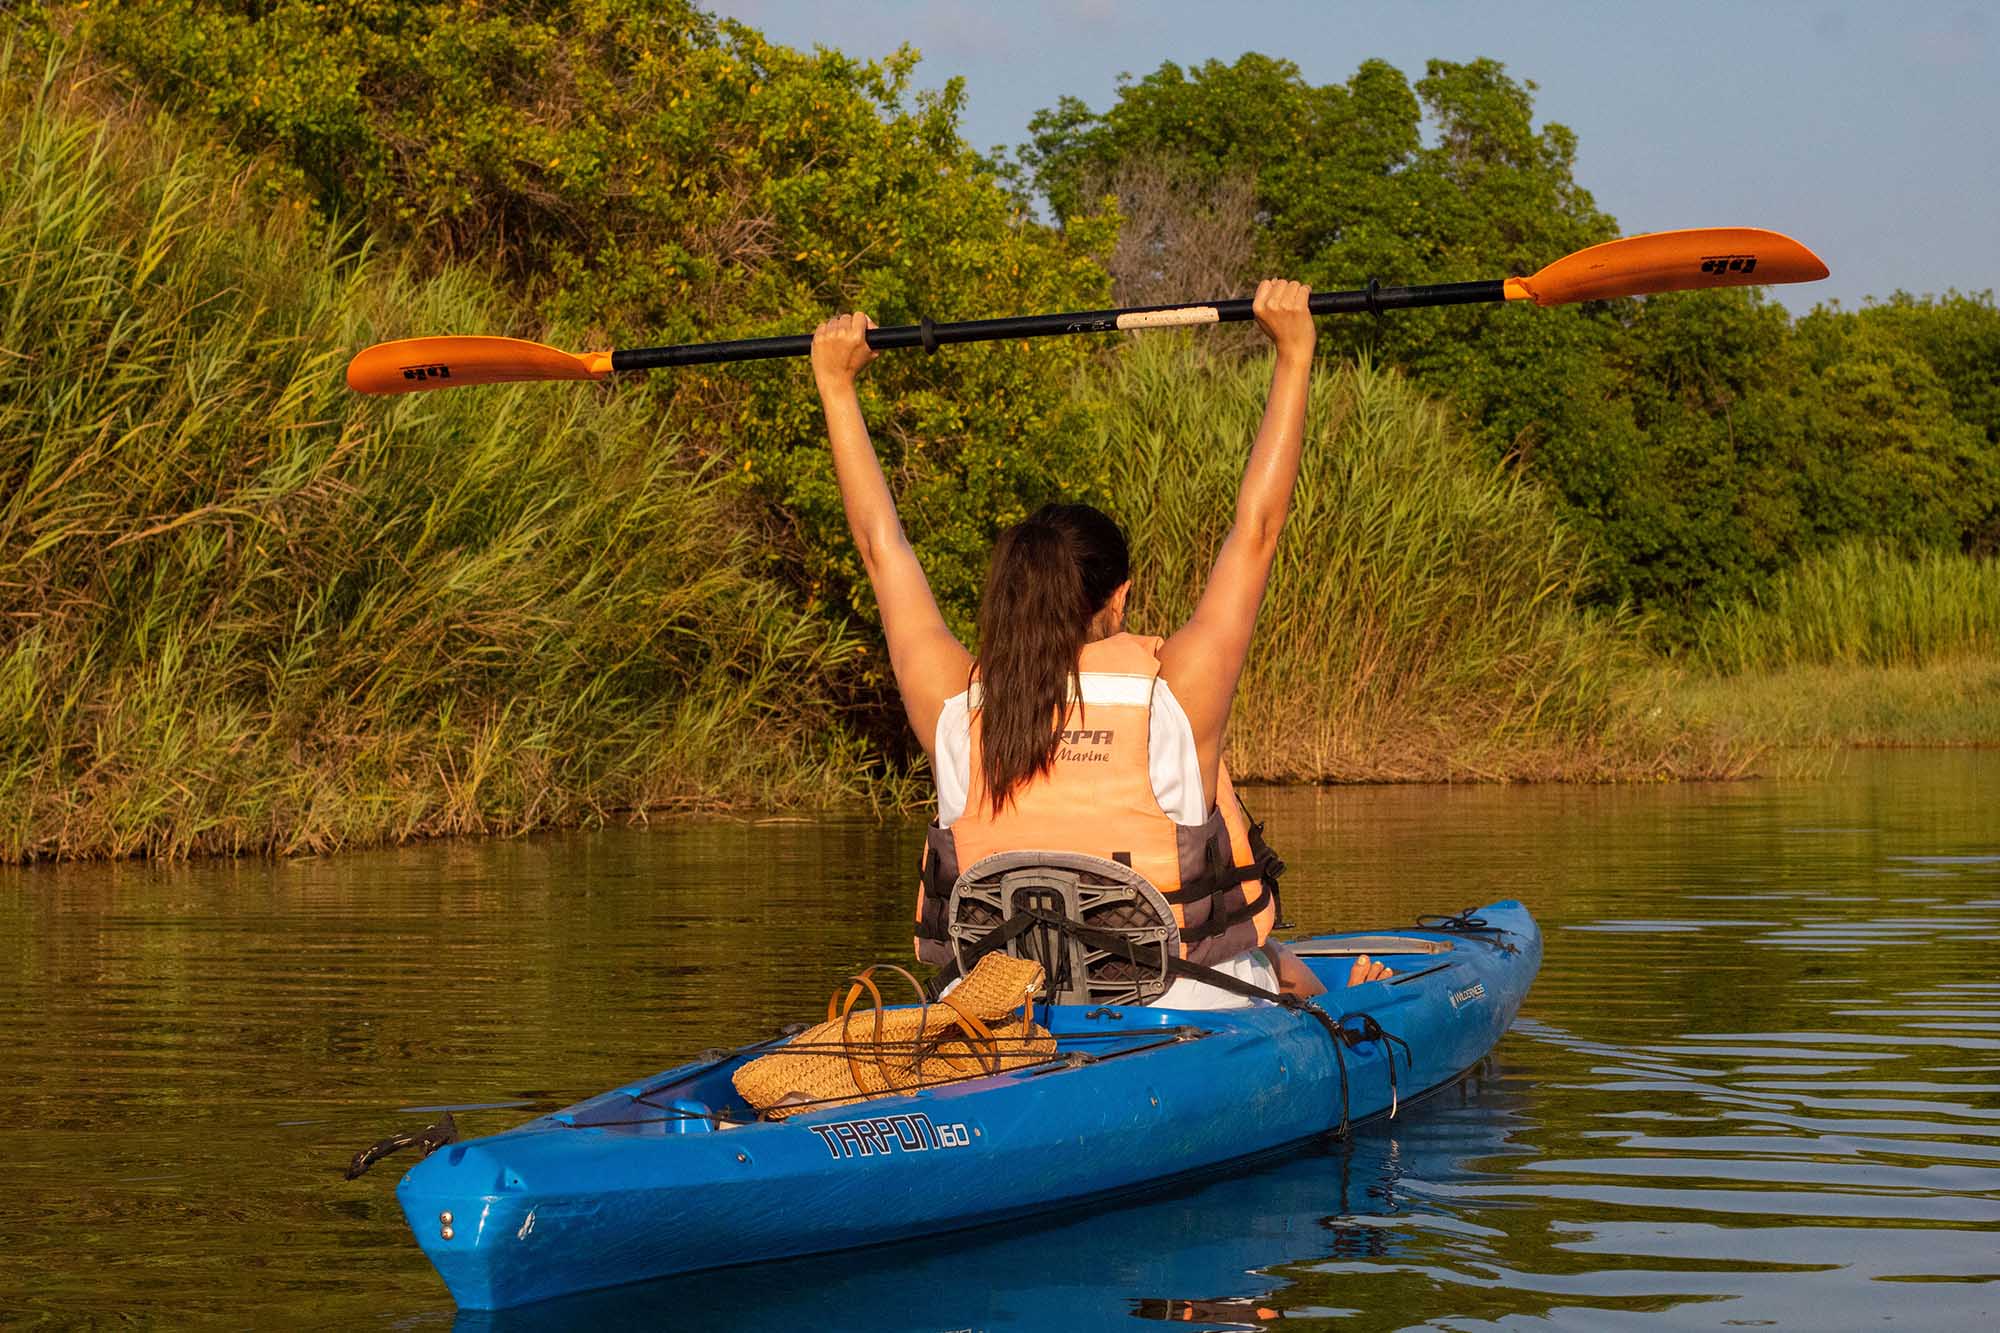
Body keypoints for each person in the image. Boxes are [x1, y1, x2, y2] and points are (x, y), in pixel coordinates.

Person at [811, 280, 1390, 1002]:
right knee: (1276, 965)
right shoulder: (1177, 692)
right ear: (1117, 599)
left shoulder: (956, 704)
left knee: (1281, 964)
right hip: (1178, 1004)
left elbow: (880, 547)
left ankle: (1294, 976)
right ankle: (1346, 995)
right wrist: (1294, 352)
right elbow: (1258, 530)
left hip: (990, 1008)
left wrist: (835, 385)